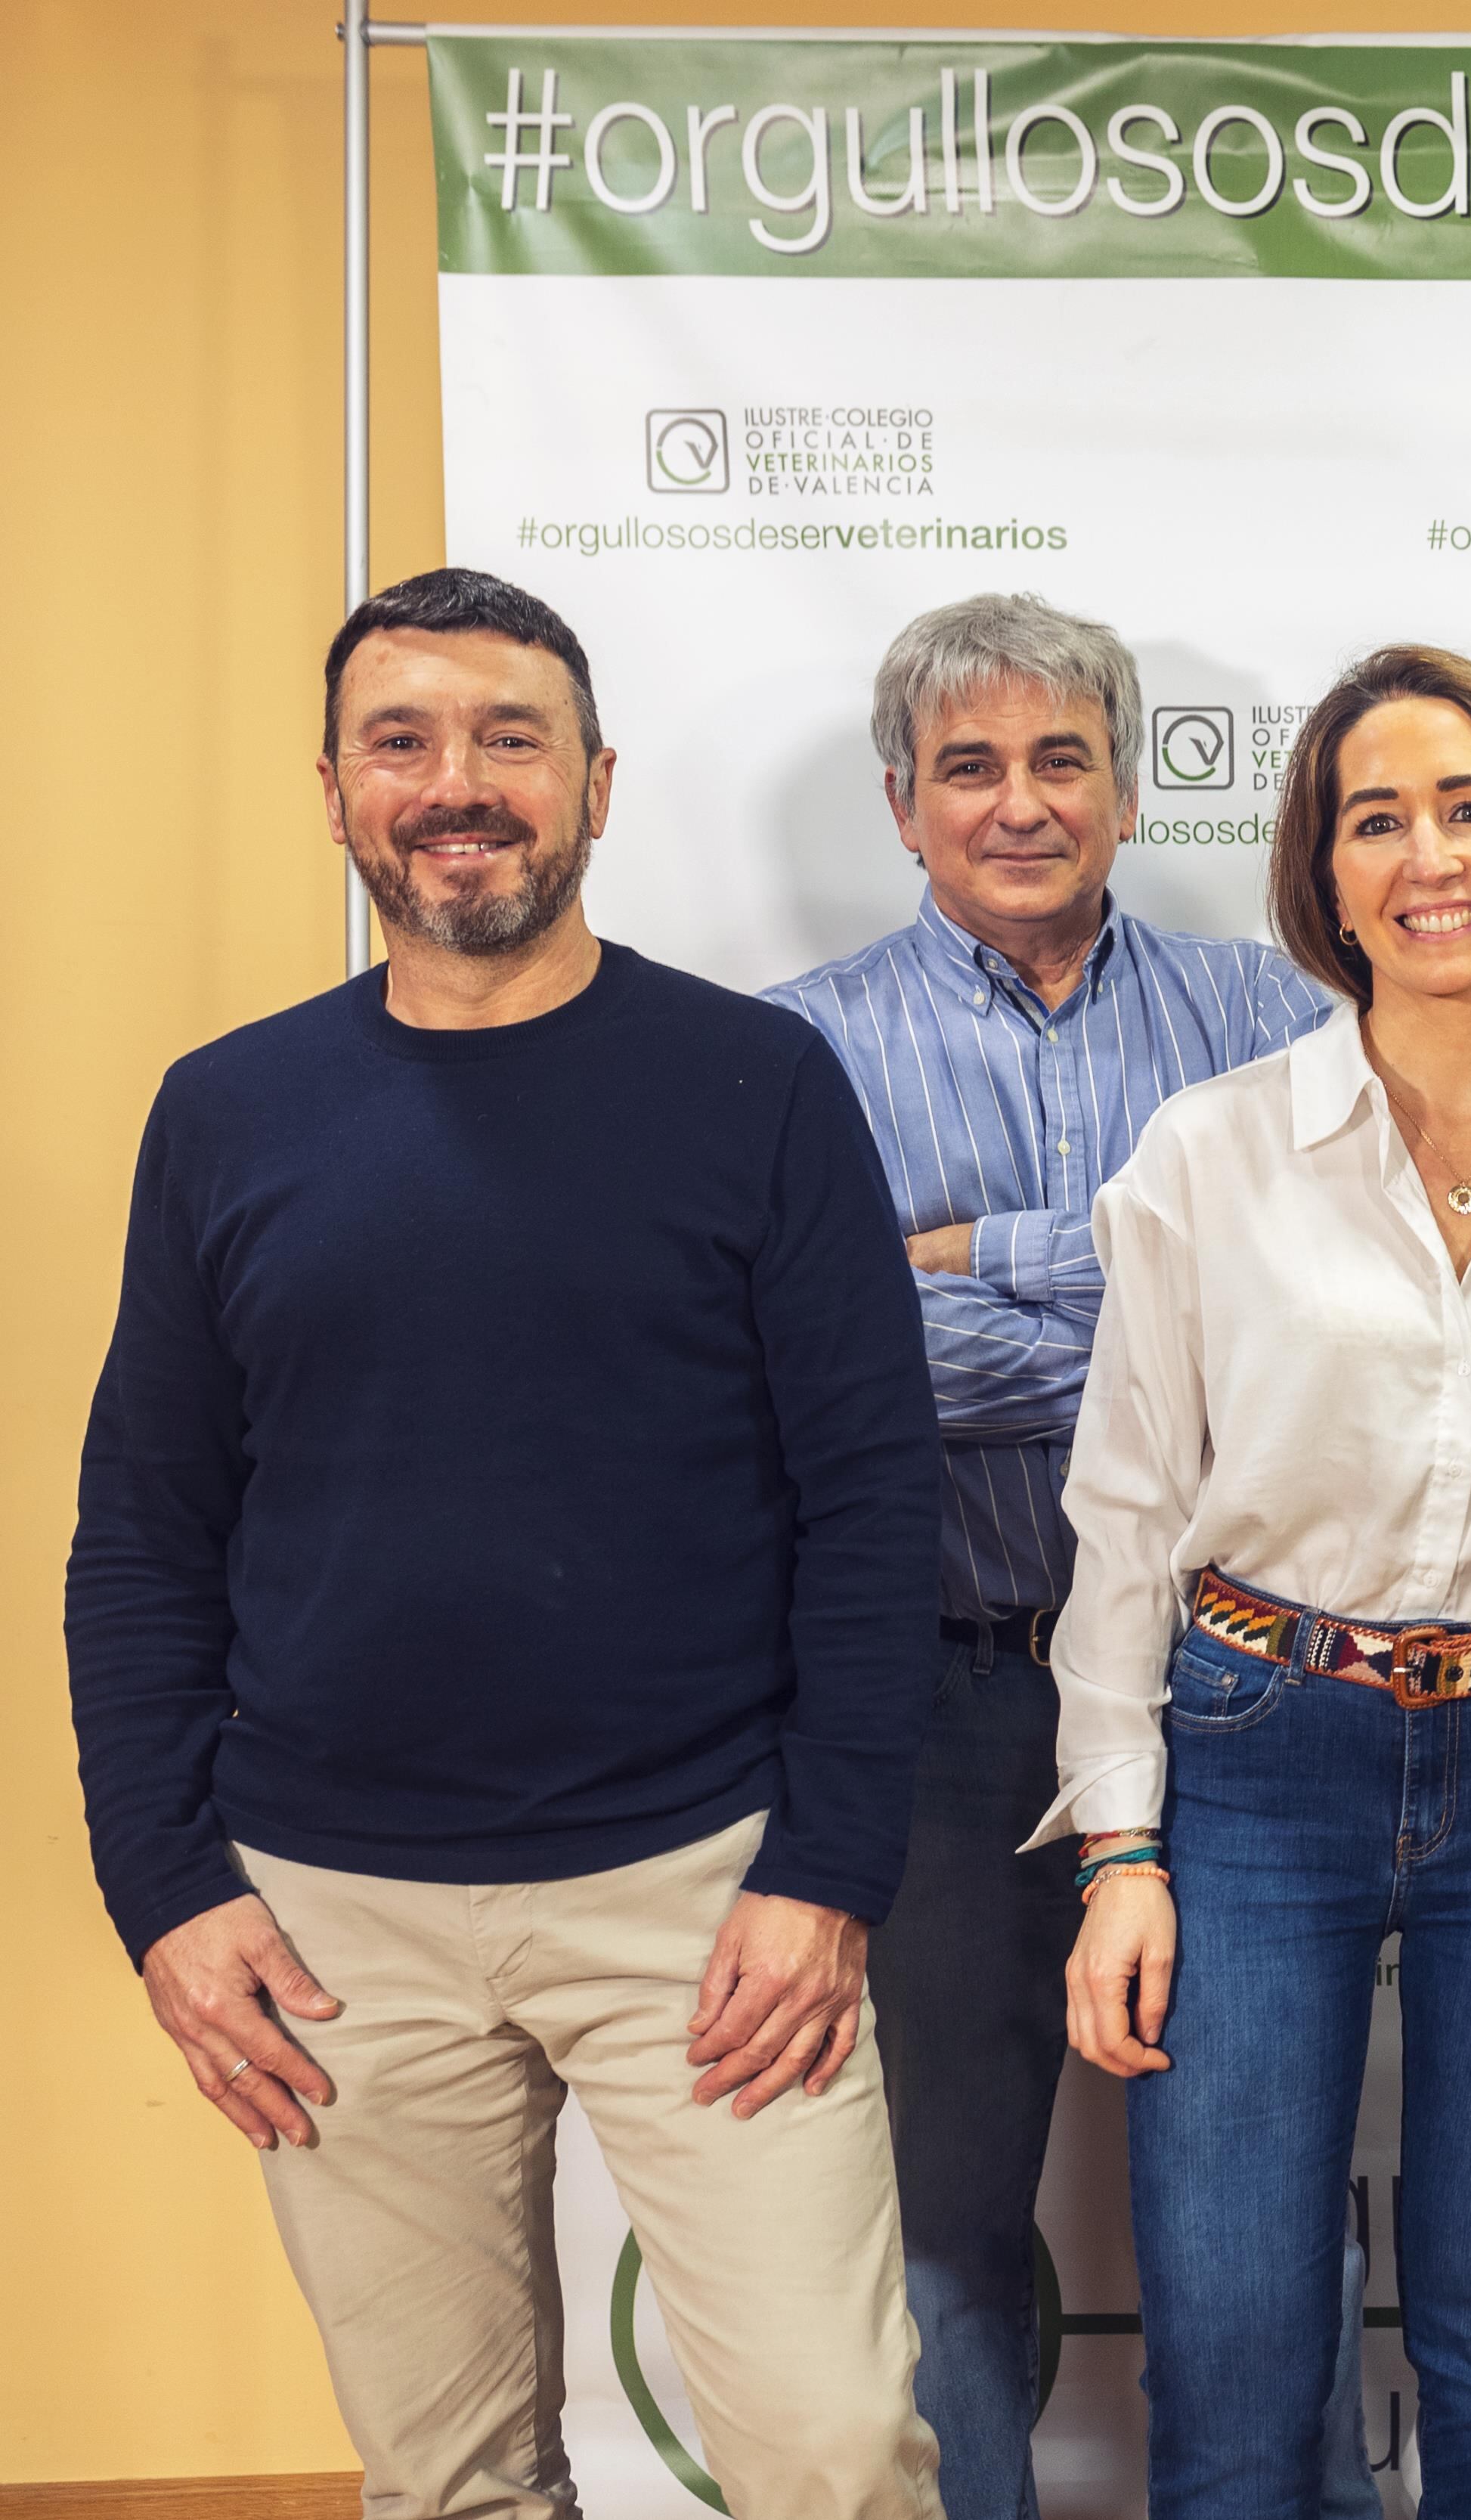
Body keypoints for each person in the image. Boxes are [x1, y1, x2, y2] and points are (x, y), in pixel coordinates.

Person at [66, 568, 946, 2518]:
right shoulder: (225, 1112)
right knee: (447, 2481)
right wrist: (163, 1883)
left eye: (509, 738)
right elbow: (142, 1522)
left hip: (709, 1899)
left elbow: (873, 1503)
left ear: (597, 784)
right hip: (326, 1917)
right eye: (404, 740)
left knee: (833, 2450)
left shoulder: (757, 1086)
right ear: (334, 792)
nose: (457, 784)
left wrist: (826, 1865)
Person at [1044, 645, 1471, 2518]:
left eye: (1470, 807)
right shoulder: (1214, 1148)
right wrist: (1118, 1852)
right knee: (1239, 2343)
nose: (1429, 854)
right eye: (1376, 817)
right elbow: (1122, 1519)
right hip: (1257, 1751)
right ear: (1320, 876)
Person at [764, 594, 1372, 2520]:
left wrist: (955, 1256)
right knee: (944, 2211)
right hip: (936, 1697)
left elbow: (1318, 1332)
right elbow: (826, 1369)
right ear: (900, 802)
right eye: (970, 768)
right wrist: (1135, 1299)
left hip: (1239, 1692)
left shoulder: (1277, 1021)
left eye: (1059, 760)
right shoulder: (794, 1055)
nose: (1018, 804)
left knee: (1271, 2207)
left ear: (1125, 789)